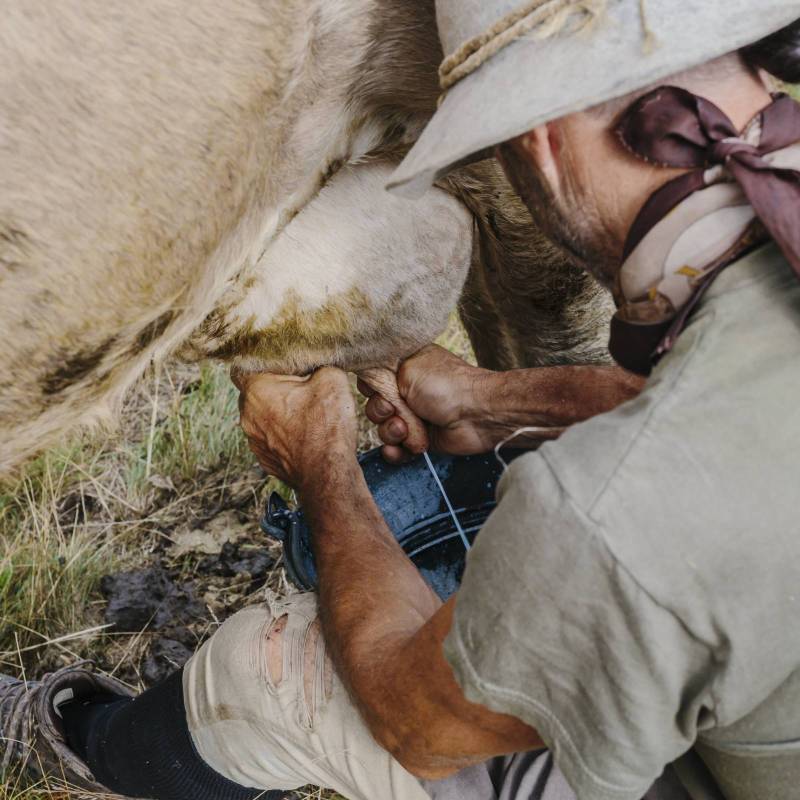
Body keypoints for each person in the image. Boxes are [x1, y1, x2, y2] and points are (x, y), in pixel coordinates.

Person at [3, 2, 800, 799]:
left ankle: (94, 753)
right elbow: (735, 416)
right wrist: (491, 400)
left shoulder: (597, 515)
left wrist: (318, 464)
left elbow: (420, 727)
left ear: (539, 149)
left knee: (277, 674)